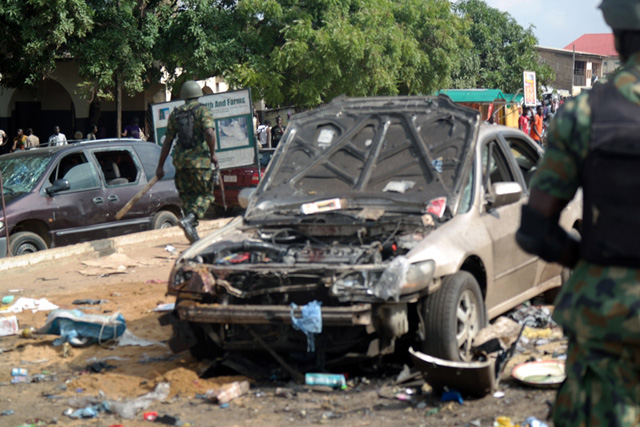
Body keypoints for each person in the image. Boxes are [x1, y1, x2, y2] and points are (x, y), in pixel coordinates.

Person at [515, 0, 640, 424]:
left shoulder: (583, 115)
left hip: (606, 325)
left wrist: (588, 258)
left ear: (617, 36)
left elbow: (535, 229)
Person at [155, 80, 217, 243]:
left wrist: (160, 166)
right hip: (199, 164)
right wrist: (213, 154)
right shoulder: (202, 111)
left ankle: (192, 233)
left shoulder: (176, 114)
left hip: (181, 164)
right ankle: (190, 221)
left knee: (189, 199)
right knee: (206, 195)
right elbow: (209, 133)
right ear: (198, 95)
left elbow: (167, 141)